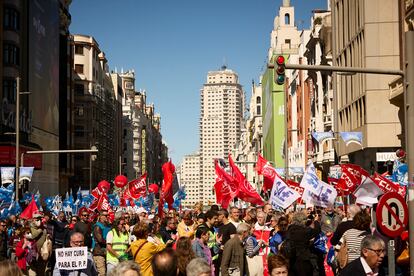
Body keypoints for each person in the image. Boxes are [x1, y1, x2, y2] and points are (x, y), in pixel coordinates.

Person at [284, 211, 321, 276]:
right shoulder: (304, 231)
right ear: (303, 221)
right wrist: (316, 221)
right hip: (303, 260)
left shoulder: (289, 229)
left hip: (292, 260)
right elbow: (317, 230)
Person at [92, 210, 111, 276]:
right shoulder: (97, 226)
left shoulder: (108, 226)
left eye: (107, 215)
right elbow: (100, 240)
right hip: (99, 252)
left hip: (107, 252)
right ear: (100, 216)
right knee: (102, 273)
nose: (107, 217)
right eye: (105, 215)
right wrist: (110, 242)